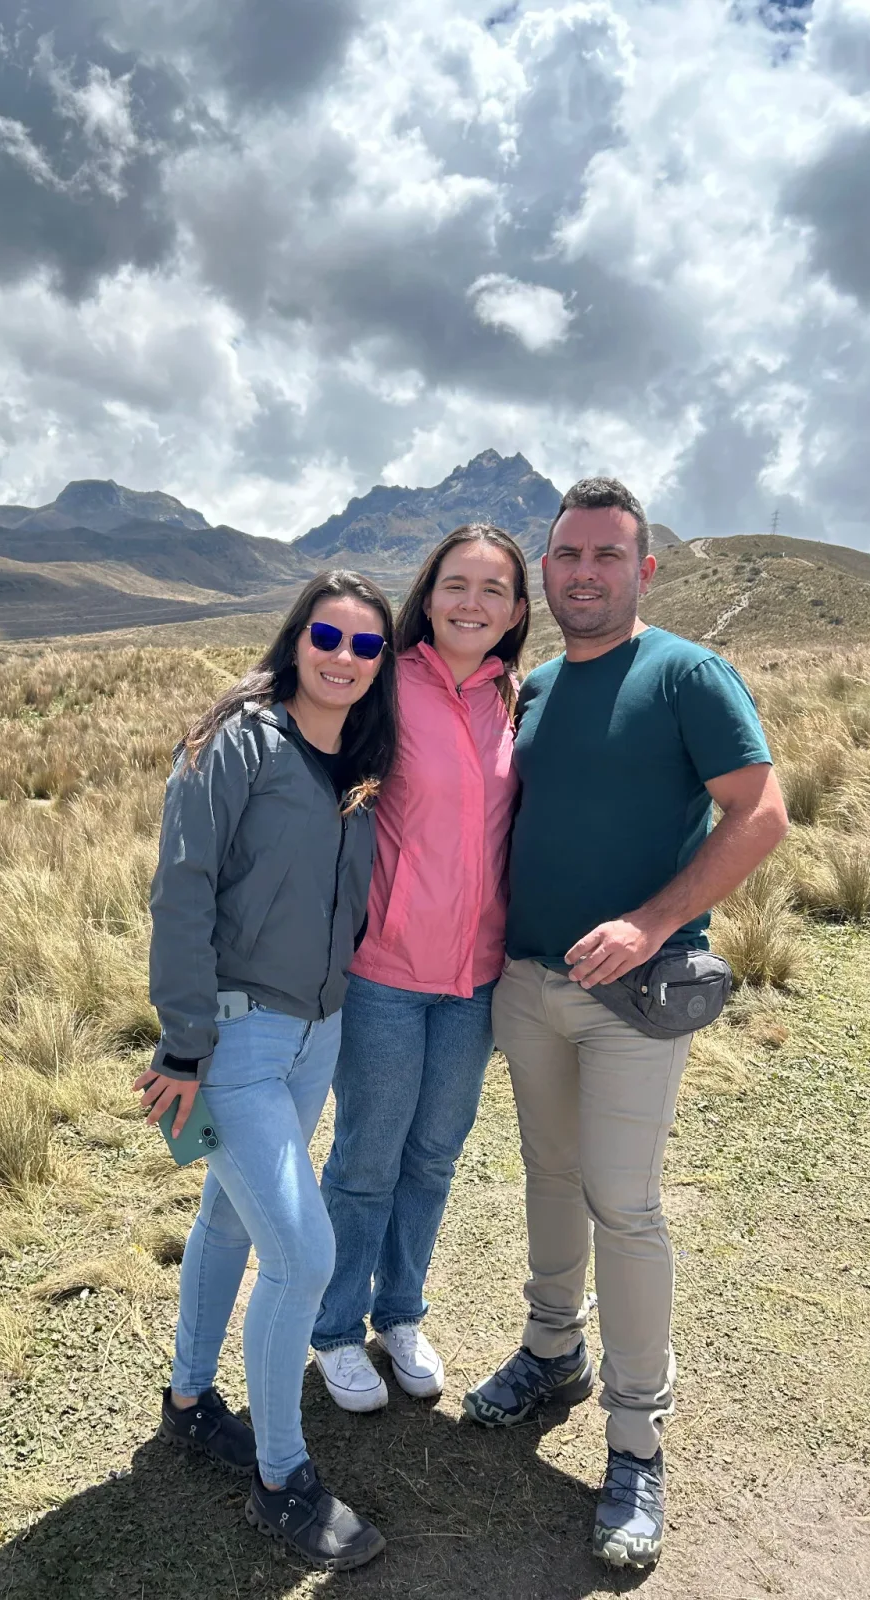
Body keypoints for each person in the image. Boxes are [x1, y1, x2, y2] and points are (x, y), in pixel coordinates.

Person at [462, 479, 789, 1570]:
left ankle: (637, 1437)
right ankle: (551, 1351)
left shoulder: (689, 674)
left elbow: (763, 812)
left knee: (624, 1199)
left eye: (608, 555)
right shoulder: (536, 686)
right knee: (549, 1177)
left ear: (644, 570)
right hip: (527, 984)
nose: (585, 573)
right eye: (568, 556)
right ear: (545, 571)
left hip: (631, 1002)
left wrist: (652, 923)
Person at [137, 570, 398, 1573]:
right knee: (303, 1253)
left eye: (366, 645)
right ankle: (283, 1478)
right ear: (297, 637)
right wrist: (184, 1043)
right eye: (327, 635)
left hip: (317, 1033)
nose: (343, 656)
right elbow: (183, 891)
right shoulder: (233, 742)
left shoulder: (361, 761)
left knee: (231, 1219)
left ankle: (190, 1399)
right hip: (235, 1040)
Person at [310, 524, 529, 1411]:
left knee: (435, 1156)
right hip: (386, 972)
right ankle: (332, 1328)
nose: (472, 602)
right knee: (367, 1157)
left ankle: (400, 1313)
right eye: (456, 584)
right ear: (428, 593)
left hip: (477, 978)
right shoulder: (384, 685)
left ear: (518, 611)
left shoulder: (519, 696)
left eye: (494, 589)